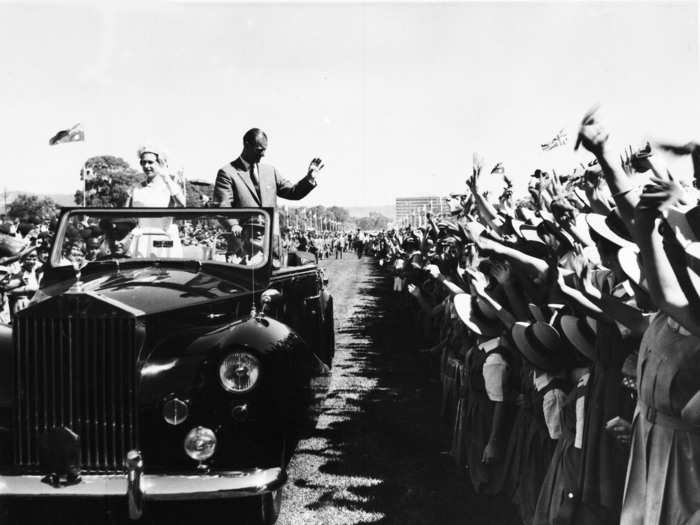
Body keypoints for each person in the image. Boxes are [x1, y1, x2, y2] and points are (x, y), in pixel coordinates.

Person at [213, 128, 324, 240]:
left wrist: (309, 178)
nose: (264, 154)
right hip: (243, 244)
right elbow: (222, 206)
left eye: (265, 150)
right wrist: (234, 225)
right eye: (260, 150)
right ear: (246, 145)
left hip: (271, 244)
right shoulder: (227, 173)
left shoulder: (271, 171)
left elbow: (293, 193)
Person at [124, 145, 185, 258]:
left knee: (164, 271)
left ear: (160, 163)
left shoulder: (170, 186)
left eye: (150, 162)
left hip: (164, 239)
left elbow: (182, 204)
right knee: (140, 273)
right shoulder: (136, 188)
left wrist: (165, 176)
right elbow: (126, 216)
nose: (146, 166)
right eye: (143, 162)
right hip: (141, 240)